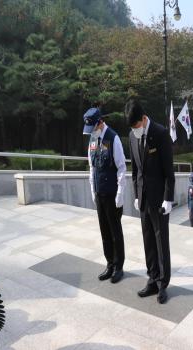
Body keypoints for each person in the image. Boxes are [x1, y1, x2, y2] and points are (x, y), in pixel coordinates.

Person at [126, 99, 175, 304]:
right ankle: (152, 278)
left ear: (144, 119)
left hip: (159, 199)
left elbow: (168, 171)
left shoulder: (161, 133)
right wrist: (136, 195)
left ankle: (163, 283)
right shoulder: (131, 135)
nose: (135, 130)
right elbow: (136, 169)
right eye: (132, 128)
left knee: (160, 241)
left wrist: (168, 199)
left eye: (137, 126)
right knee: (148, 240)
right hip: (144, 198)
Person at [84, 107, 126, 284]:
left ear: (100, 122)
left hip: (111, 194)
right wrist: (93, 190)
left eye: (93, 127)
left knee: (115, 232)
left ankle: (119, 266)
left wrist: (120, 192)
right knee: (104, 231)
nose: (91, 131)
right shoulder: (93, 139)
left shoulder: (113, 138)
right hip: (100, 193)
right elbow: (92, 167)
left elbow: (122, 167)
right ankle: (109, 263)